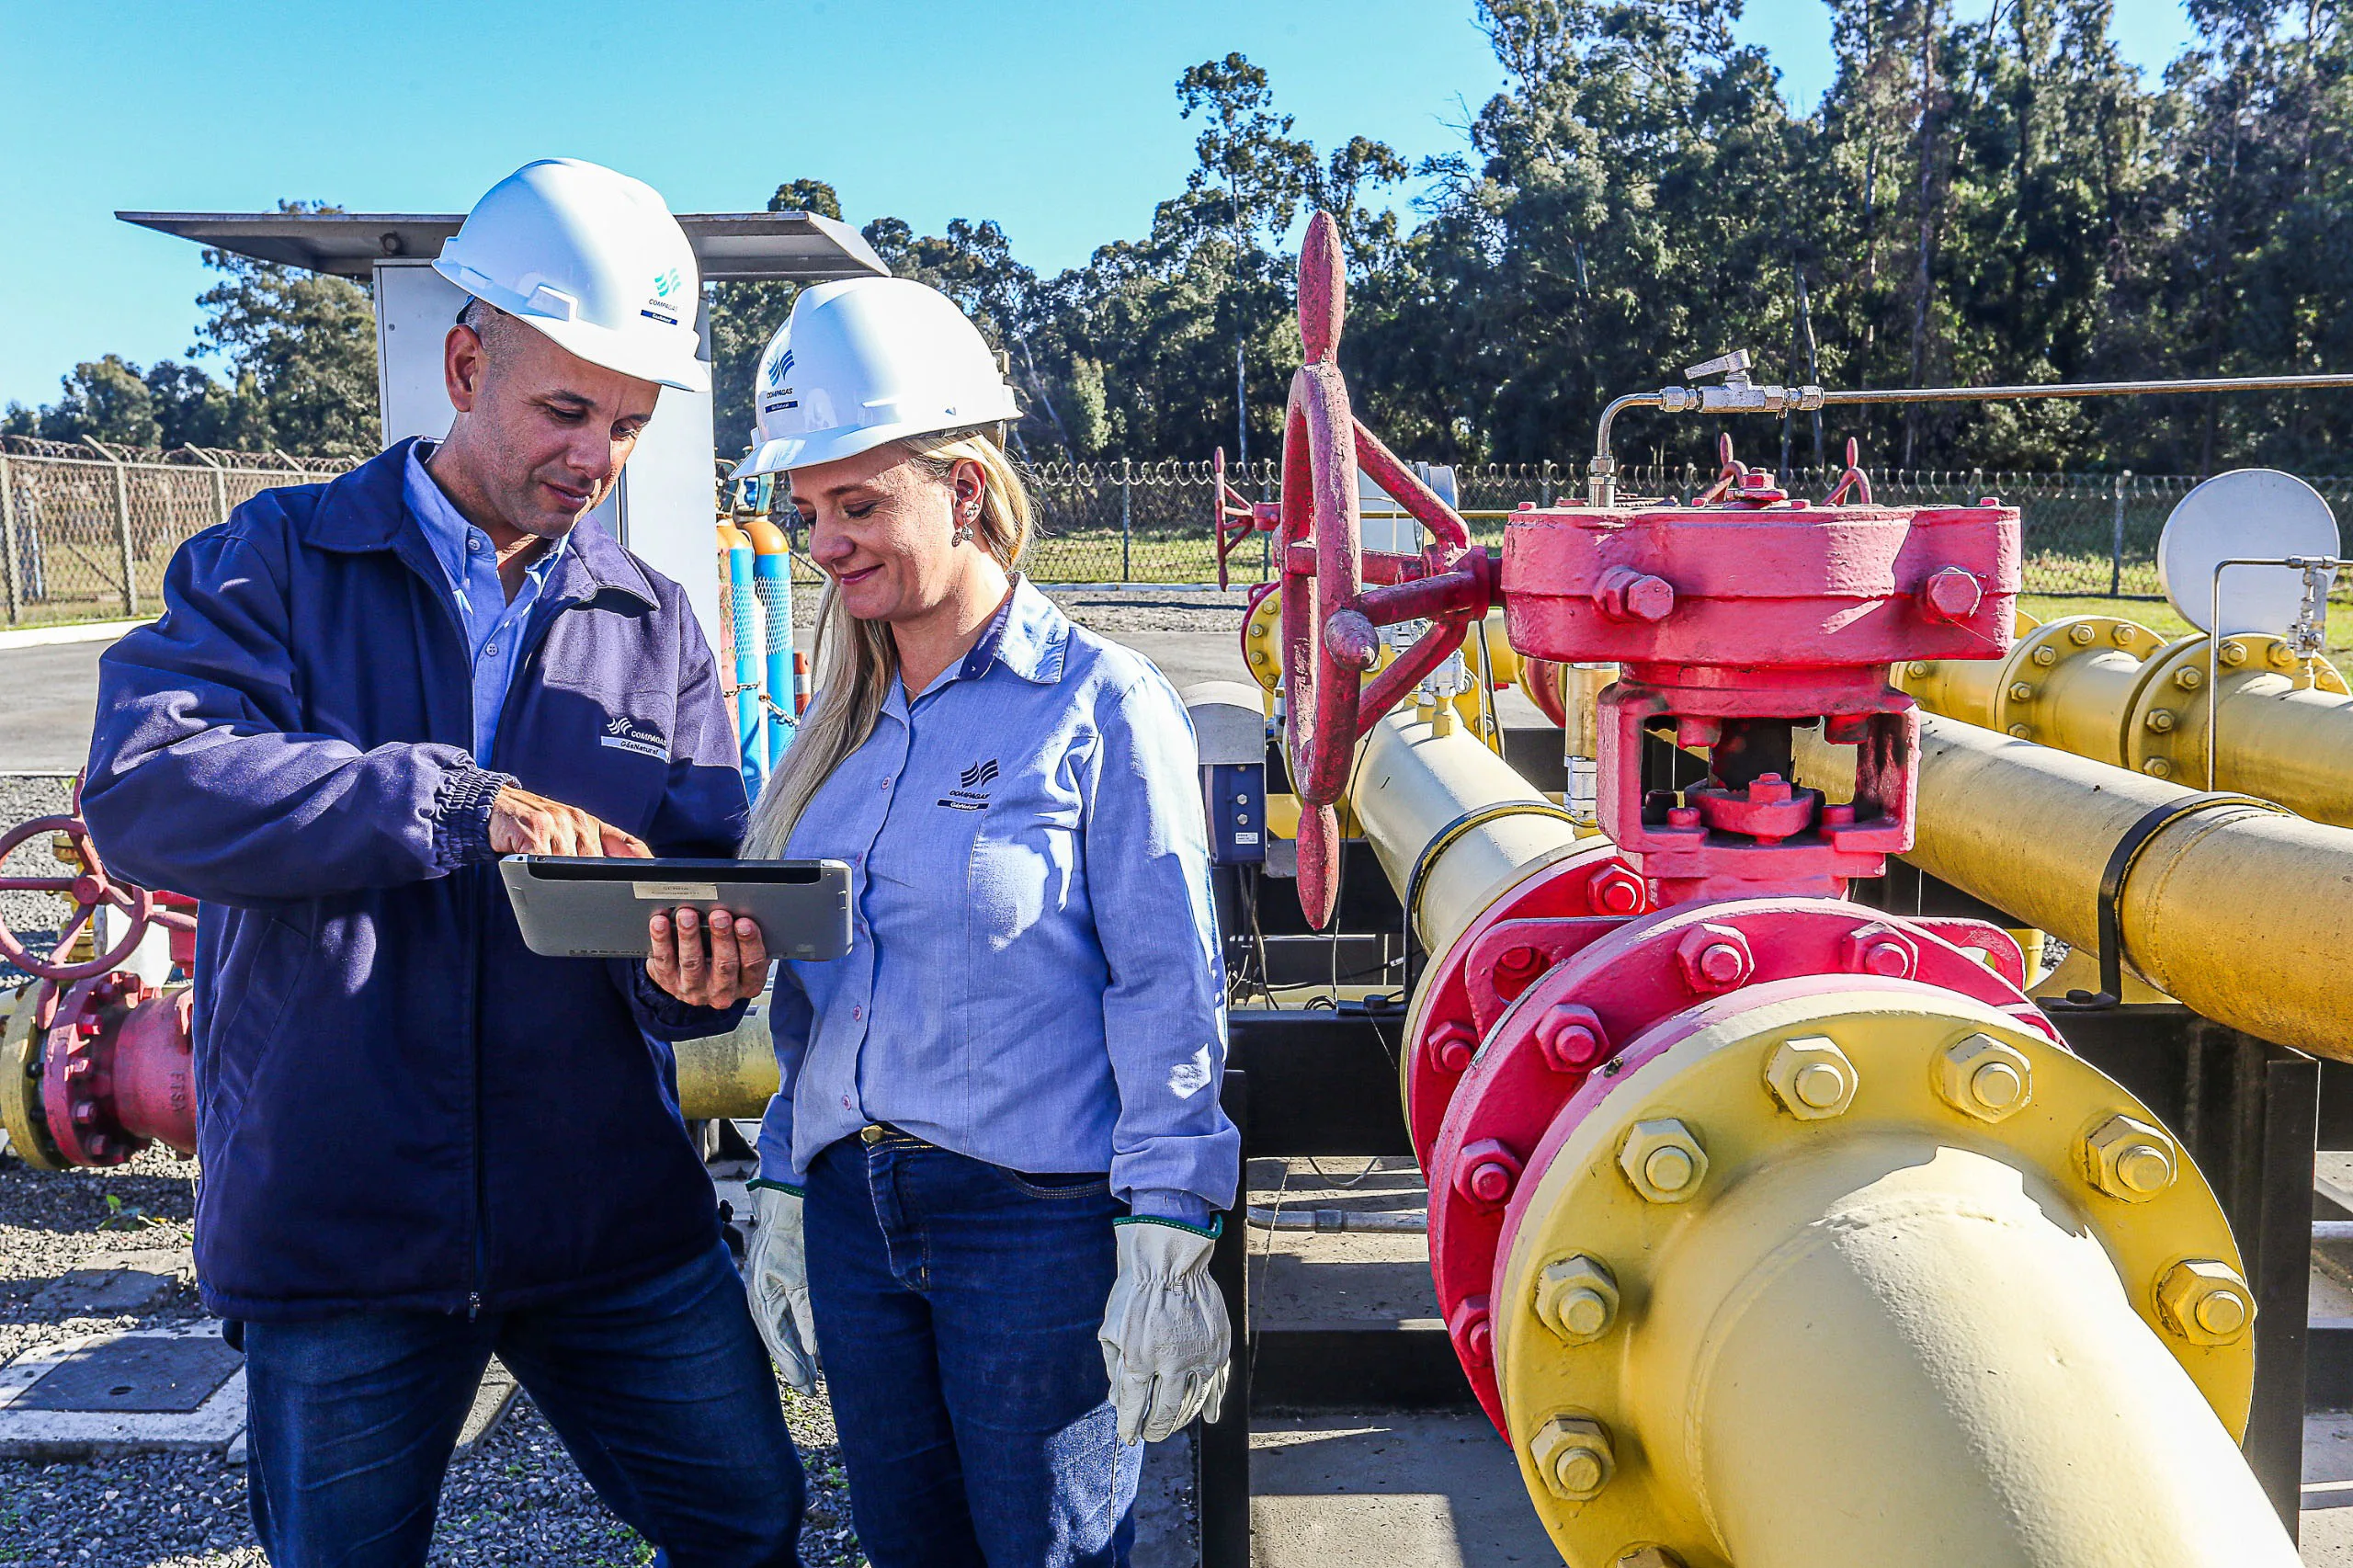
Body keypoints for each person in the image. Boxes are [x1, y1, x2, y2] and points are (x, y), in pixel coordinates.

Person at [81, 159, 802, 1568]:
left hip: (604, 1210)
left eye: (631, 425)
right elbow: (145, 788)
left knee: (753, 1519)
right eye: (567, 408)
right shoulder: (280, 561)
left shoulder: (655, 622)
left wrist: (701, 976)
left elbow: (697, 874)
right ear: (466, 361)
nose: (597, 458)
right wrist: (455, 803)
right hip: (346, 1228)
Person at [732, 277, 1240, 1567]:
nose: (826, 542)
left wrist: (1171, 1226)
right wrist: (785, 1179)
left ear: (964, 488)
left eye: (857, 504)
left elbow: (1169, 985)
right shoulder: (835, 737)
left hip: (1032, 1230)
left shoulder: (1099, 705)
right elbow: (821, 1003)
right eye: (807, 514)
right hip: (855, 1217)